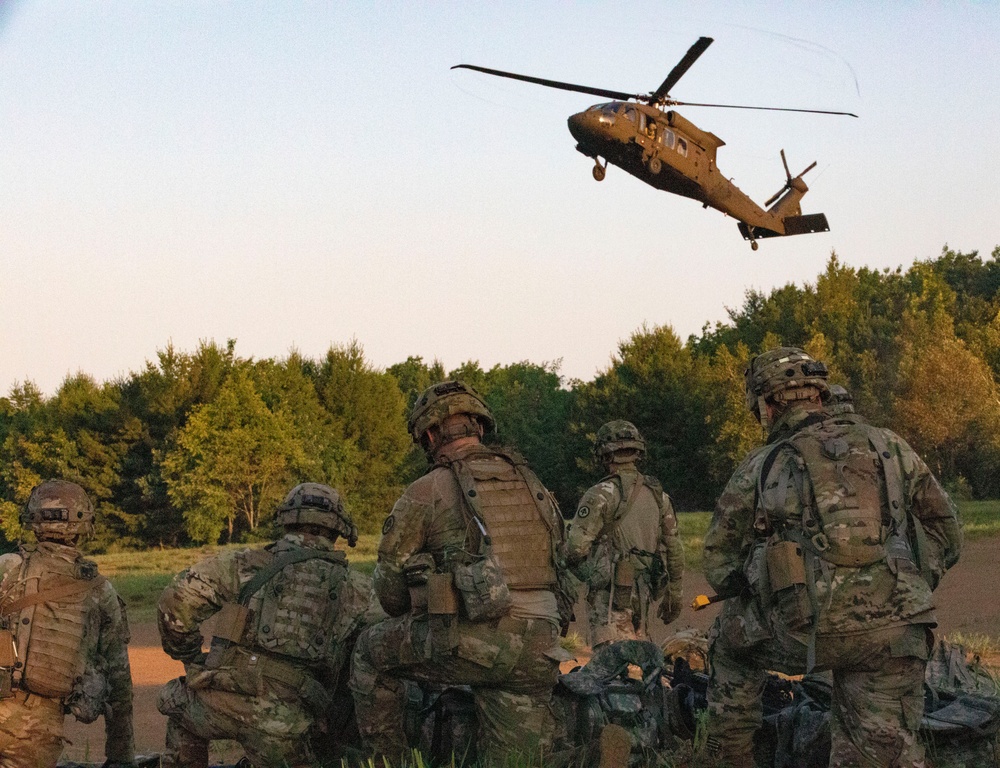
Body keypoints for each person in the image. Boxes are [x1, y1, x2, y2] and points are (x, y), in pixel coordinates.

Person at [701, 347, 963, 768]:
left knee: (726, 644)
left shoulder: (762, 464)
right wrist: (906, 582)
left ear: (768, 406)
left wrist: (764, 577)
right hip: (895, 630)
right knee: (880, 749)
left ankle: (728, 754)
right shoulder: (891, 446)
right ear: (820, 394)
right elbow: (947, 533)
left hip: (803, 628)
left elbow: (718, 562)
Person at [350, 380, 571, 764]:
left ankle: (393, 763)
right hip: (543, 650)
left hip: (481, 645)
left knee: (368, 653)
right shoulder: (534, 485)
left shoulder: (427, 489)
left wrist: (422, 595)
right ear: (480, 427)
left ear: (430, 435)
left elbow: (389, 592)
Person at [157, 482, 375, 768]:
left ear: (286, 520)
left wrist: (192, 657)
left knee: (178, 704)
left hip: (222, 701)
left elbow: (174, 602)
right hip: (286, 724)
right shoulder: (358, 588)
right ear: (339, 530)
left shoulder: (242, 565)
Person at [0, 479, 134, 768]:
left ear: (32, 520)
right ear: (83, 524)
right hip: (34, 730)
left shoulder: (6, 567)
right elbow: (119, 682)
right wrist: (120, 756)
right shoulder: (98, 590)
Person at [566, 419, 684, 648]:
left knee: (613, 672)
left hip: (610, 600)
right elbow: (674, 548)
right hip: (643, 595)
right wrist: (675, 593)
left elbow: (575, 549)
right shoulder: (659, 495)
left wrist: (589, 574)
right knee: (639, 663)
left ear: (604, 454)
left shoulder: (600, 494)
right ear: (638, 451)